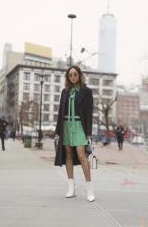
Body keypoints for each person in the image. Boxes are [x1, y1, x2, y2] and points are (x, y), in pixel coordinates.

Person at [54, 65, 95, 202]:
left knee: (82, 155)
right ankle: (71, 187)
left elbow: (89, 113)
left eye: (75, 74)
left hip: (79, 126)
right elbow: (61, 112)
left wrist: (88, 132)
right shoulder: (65, 92)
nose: (72, 77)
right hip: (66, 125)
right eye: (70, 75)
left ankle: (90, 189)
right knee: (68, 155)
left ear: (79, 75)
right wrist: (58, 131)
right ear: (68, 77)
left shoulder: (86, 91)